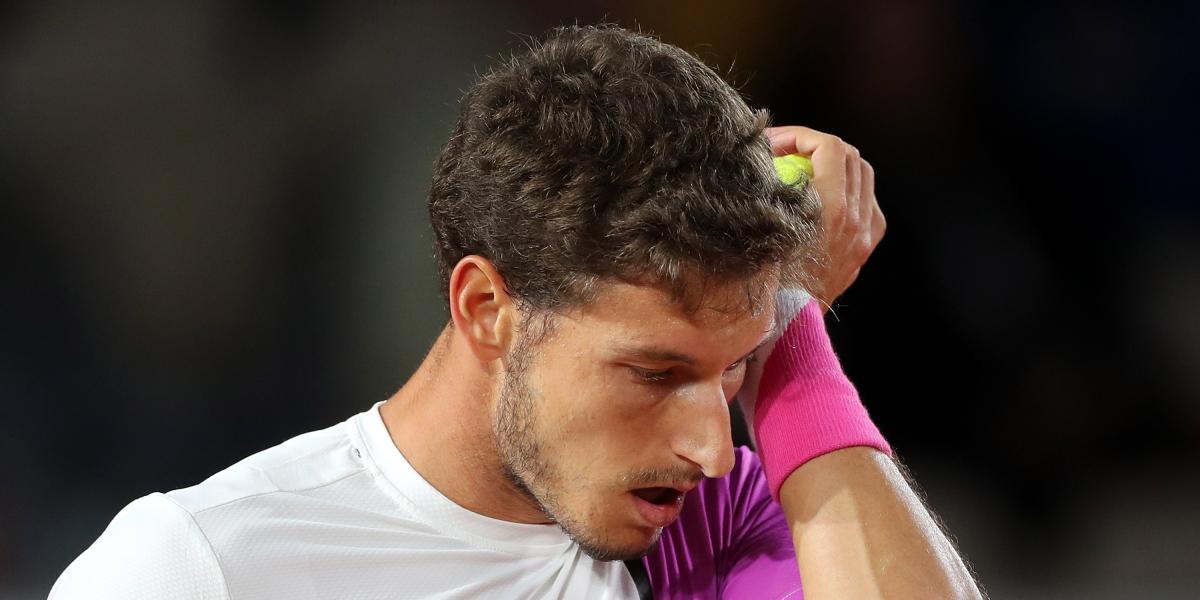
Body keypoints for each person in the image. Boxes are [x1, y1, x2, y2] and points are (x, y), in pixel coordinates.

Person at [50, 24, 984, 599]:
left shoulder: (726, 521)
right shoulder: (201, 567)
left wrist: (791, 326)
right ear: (488, 306)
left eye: (734, 366)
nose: (711, 443)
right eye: (655, 372)